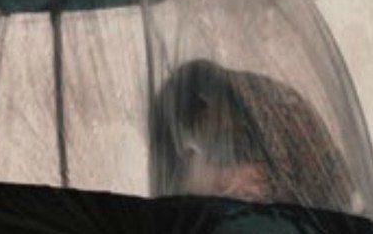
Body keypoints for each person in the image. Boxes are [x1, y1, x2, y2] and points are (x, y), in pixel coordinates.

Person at [152, 59, 354, 214]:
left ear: (205, 110)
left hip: (326, 212)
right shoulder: (237, 109)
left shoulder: (270, 110)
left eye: (198, 131)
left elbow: (272, 181)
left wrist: (225, 181)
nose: (205, 142)